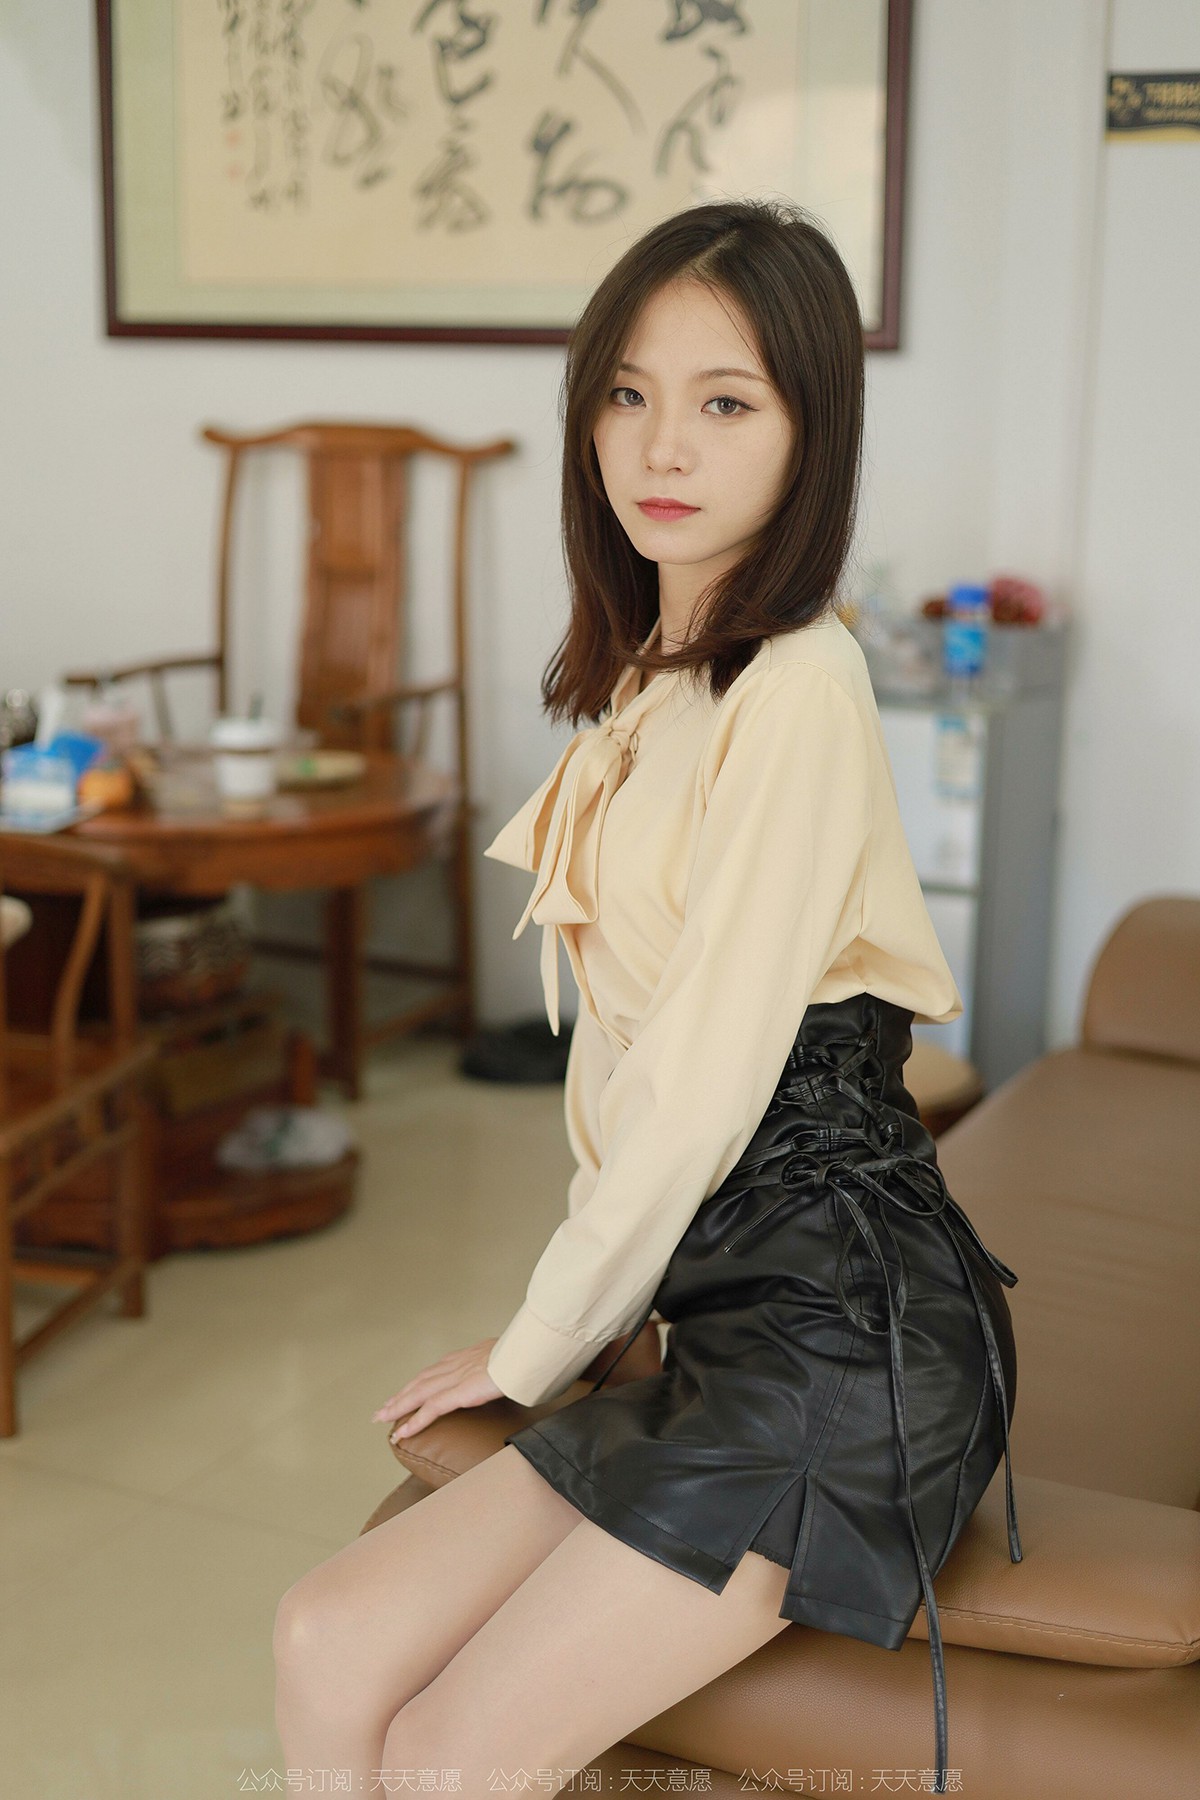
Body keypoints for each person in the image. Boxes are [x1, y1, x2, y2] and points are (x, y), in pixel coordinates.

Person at [274, 198, 1022, 1797]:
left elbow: (698, 1081)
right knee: (326, 1636)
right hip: (723, 1317)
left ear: (810, 435)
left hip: (848, 1345)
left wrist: (543, 1336)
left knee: (448, 1761)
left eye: (726, 401)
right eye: (626, 392)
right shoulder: (651, 682)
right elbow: (618, 1071)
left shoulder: (799, 684)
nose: (661, 444)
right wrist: (607, 1318)